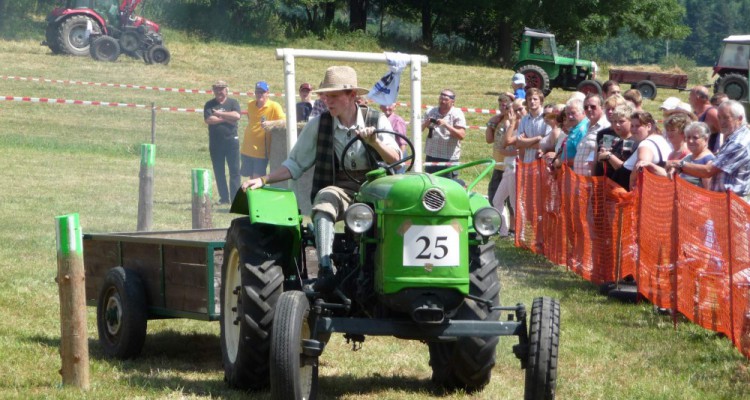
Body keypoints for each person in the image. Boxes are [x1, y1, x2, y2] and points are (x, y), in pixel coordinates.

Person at [241, 66, 400, 291]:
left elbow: (397, 159)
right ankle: (325, 269)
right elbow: (295, 164)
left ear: (352, 96)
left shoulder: (376, 119)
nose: (328, 101)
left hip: (375, 190)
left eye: (334, 96)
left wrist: (374, 142)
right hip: (342, 188)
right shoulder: (319, 124)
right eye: (325, 96)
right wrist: (264, 180)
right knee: (325, 199)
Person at [666, 100, 750, 200]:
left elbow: (708, 171)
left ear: (739, 118)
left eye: (726, 117)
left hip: (731, 203)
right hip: (724, 201)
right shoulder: (734, 138)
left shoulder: (738, 143)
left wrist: (679, 164)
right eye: (719, 117)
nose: (721, 122)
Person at [203, 80, 241, 205]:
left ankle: (235, 199)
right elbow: (209, 119)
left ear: (226, 90)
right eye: (216, 89)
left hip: (232, 142)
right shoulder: (209, 104)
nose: (219, 91)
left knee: (234, 171)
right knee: (219, 171)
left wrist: (219, 114)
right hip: (216, 143)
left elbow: (236, 116)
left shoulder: (233, 102)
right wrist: (226, 118)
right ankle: (224, 198)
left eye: (221, 89)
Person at [241, 81, 286, 179]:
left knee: (257, 180)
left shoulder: (274, 106)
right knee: (250, 179)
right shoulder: (250, 104)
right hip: (247, 149)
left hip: (261, 151)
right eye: (257, 92)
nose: (259, 94)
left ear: (267, 93)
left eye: (262, 92)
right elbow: (251, 120)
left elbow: (285, 121)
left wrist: (271, 123)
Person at [422, 89, 467, 180]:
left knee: (448, 186)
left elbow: (461, 135)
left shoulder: (457, 114)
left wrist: (446, 125)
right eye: (441, 98)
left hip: (448, 158)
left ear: (452, 101)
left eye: (446, 99)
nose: (442, 101)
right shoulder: (430, 111)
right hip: (431, 156)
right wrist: (426, 123)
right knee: (430, 184)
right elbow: (417, 130)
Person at [491, 101, 519, 238]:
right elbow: (502, 147)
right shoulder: (508, 125)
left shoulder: (522, 126)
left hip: (515, 167)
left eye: (514, 110)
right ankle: (503, 231)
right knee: (497, 200)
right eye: (509, 109)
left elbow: (511, 147)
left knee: (514, 203)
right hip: (507, 167)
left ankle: (519, 234)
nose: (510, 112)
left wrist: (510, 151)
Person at [628, 111, 672, 189]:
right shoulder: (660, 138)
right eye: (632, 126)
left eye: (637, 126)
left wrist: (631, 183)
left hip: (647, 192)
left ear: (648, 126)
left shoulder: (646, 144)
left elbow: (641, 164)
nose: (633, 129)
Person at [662, 122, 715, 188]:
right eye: (688, 137)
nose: (690, 141)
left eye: (695, 138)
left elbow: (709, 192)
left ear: (706, 139)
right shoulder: (688, 157)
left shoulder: (709, 161)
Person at [596, 104, 635, 189]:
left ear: (631, 122)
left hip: (622, 189)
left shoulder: (630, 141)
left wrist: (608, 156)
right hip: (607, 187)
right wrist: (602, 156)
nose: (617, 125)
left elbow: (624, 169)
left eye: (621, 121)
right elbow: (600, 163)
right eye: (614, 121)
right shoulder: (610, 139)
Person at [486, 94, 514, 205]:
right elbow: (489, 140)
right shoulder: (498, 121)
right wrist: (490, 124)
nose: (502, 108)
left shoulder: (513, 123)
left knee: (511, 203)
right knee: (493, 199)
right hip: (498, 165)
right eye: (500, 105)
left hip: (508, 166)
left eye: (505, 106)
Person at [574, 93, 610, 176]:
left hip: (594, 179)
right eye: (586, 107)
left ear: (602, 107)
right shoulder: (585, 126)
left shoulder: (606, 127)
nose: (589, 109)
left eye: (593, 107)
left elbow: (606, 153)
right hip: (580, 179)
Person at [593, 94, 627, 177]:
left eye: (613, 109)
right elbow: (597, 159)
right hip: (601, 179)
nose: (610, 112)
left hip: (618, 179)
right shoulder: (602, 133)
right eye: (608, 109)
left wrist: (608, 155)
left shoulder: (626, 134)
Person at [516, 88, 550, 164]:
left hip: (543, 162)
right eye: (529, 99)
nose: (532, 101)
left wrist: (525, 142)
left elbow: (547, 143)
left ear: (541, 101)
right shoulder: (524, 120)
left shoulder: (547, 118)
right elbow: (518, 143)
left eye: (535, 99)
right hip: (527, 162)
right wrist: (538, 138)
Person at [688, 86, 722, 153]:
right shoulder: (695, 113)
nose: (689, 98)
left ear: (697, 97)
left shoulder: (712, 113)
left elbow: (727, 132)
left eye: (691, 94)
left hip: (709, 157)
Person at [379, 102, 409, 173]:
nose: (387, 108)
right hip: (385, 154)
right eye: (384, 105)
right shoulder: (380, 119)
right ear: (380, 107)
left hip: (397, 154)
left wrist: (399, 161)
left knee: (397, 178)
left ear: (394, 107)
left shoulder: (397, 121)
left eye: (389, 105)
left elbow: (402, 144)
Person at [561, 97, 588, 167]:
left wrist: (560, 163)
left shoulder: (582, 130)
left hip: (576, 174)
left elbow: (583, 159)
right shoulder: (575, 128)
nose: (570, 116)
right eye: (567, 114)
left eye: (573, 113)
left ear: (583, 112)